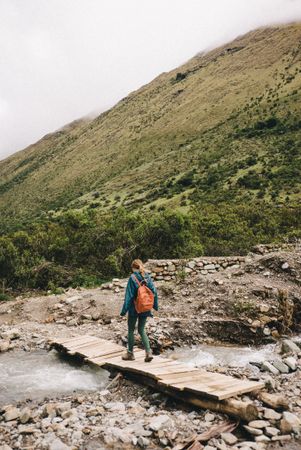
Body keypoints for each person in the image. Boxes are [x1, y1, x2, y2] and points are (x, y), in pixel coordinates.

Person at [120, 259, 158, 362]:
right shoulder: (148, 277)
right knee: (141, 330)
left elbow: (129, 296)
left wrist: (123, 311)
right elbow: (154, 292)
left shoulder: (132, 278)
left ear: (133, 268)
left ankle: (130, 354)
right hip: (145, 308)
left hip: (134, 308)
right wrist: (154, 306)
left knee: (131, 330)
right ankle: (148, 352)